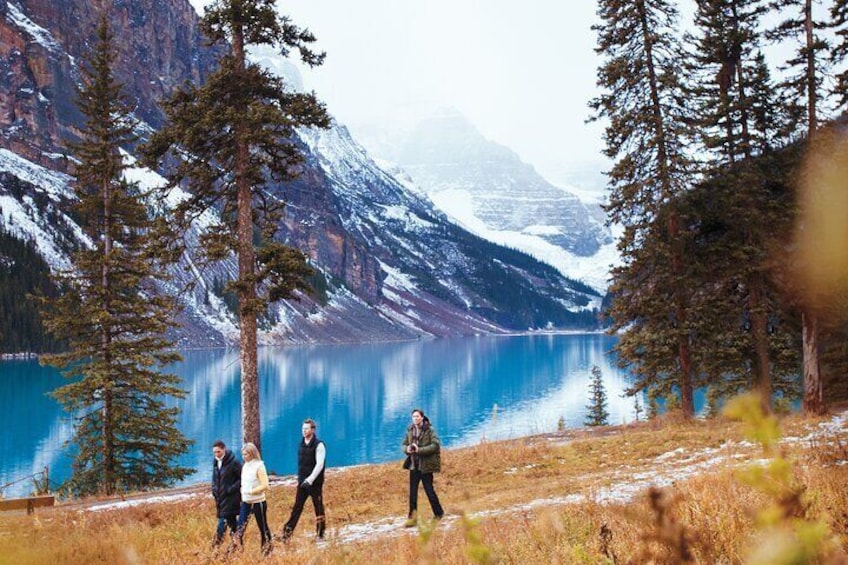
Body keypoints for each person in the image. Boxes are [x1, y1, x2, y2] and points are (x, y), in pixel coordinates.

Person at [281, 418, 327, 541]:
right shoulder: (301, 444)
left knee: (318, 507)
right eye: (303, 429)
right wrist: (301, 479)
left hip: (314, 483)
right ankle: (287, 533)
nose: (304, 431)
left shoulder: (319, 445)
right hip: (302, 482)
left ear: (313, 430)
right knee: (297, 507)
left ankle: (321, 533)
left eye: (306, 429)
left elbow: (320, 465)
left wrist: (310, 480)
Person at [402, 408, 444, 526]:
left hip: (425, 466)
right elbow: (404, 444)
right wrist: (407, 449)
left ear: (422, 417)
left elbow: (435, 446)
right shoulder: (410, 430)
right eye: (413, 417)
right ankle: (412, 519)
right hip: (413, 465)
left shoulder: (430, 430)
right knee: (412, 494)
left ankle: (439, 513)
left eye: (417, 416)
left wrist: (419, 450)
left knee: (429, 491)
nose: (415, 418)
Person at [236, 442, 273, 555]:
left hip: (258, 502)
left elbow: (265, 485)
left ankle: (267, 549)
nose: (244, 457)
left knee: (262, 527)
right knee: (240, 527)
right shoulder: (245, 466)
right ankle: (238, 550)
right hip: (246, 502)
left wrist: (252, 491)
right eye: (242, 454)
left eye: (246, 454)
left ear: (252, 453)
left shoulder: (259, 466)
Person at [211, 440, 242, 546]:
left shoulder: (234, 462)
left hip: (231, 499)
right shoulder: (216, 462)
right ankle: (238, 545)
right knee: (232, 523)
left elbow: (241, 478)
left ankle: (215, 547)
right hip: (220, 499)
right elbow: (215, 478)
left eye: (218, 452)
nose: (216, 454)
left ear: (224, 449)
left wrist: (230, 489)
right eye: (214, 452)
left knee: (222, 523)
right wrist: (214, 489)